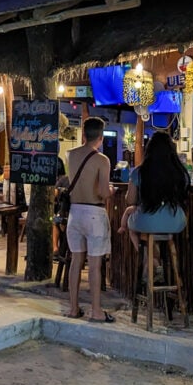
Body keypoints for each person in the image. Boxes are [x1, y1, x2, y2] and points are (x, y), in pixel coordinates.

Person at [65, 117, 115, 322]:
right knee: (95, 265)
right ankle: (96, 311)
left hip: (74, 213)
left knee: (76, 261)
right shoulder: (102, 160)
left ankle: (73, 308)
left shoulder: (70, 155)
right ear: (101, 138)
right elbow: (103, 192)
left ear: (84, 135)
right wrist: (111, 189)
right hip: (94, 213)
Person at [124, 132, 190, 283]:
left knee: (133, 227)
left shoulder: (139, 172)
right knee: (156, 234)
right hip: (175, 222)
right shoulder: (181, 173)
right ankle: (155, 263)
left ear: (149, 150)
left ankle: (151, 261)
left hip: (146, 221)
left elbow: (130, 200)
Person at [52, 158, 70, 261]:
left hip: (64, 215)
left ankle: (55, 248)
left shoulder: (63, 180)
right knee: (58, 220)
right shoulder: (82, 179)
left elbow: (55, 193)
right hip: (73, 214)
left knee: (55, 222)